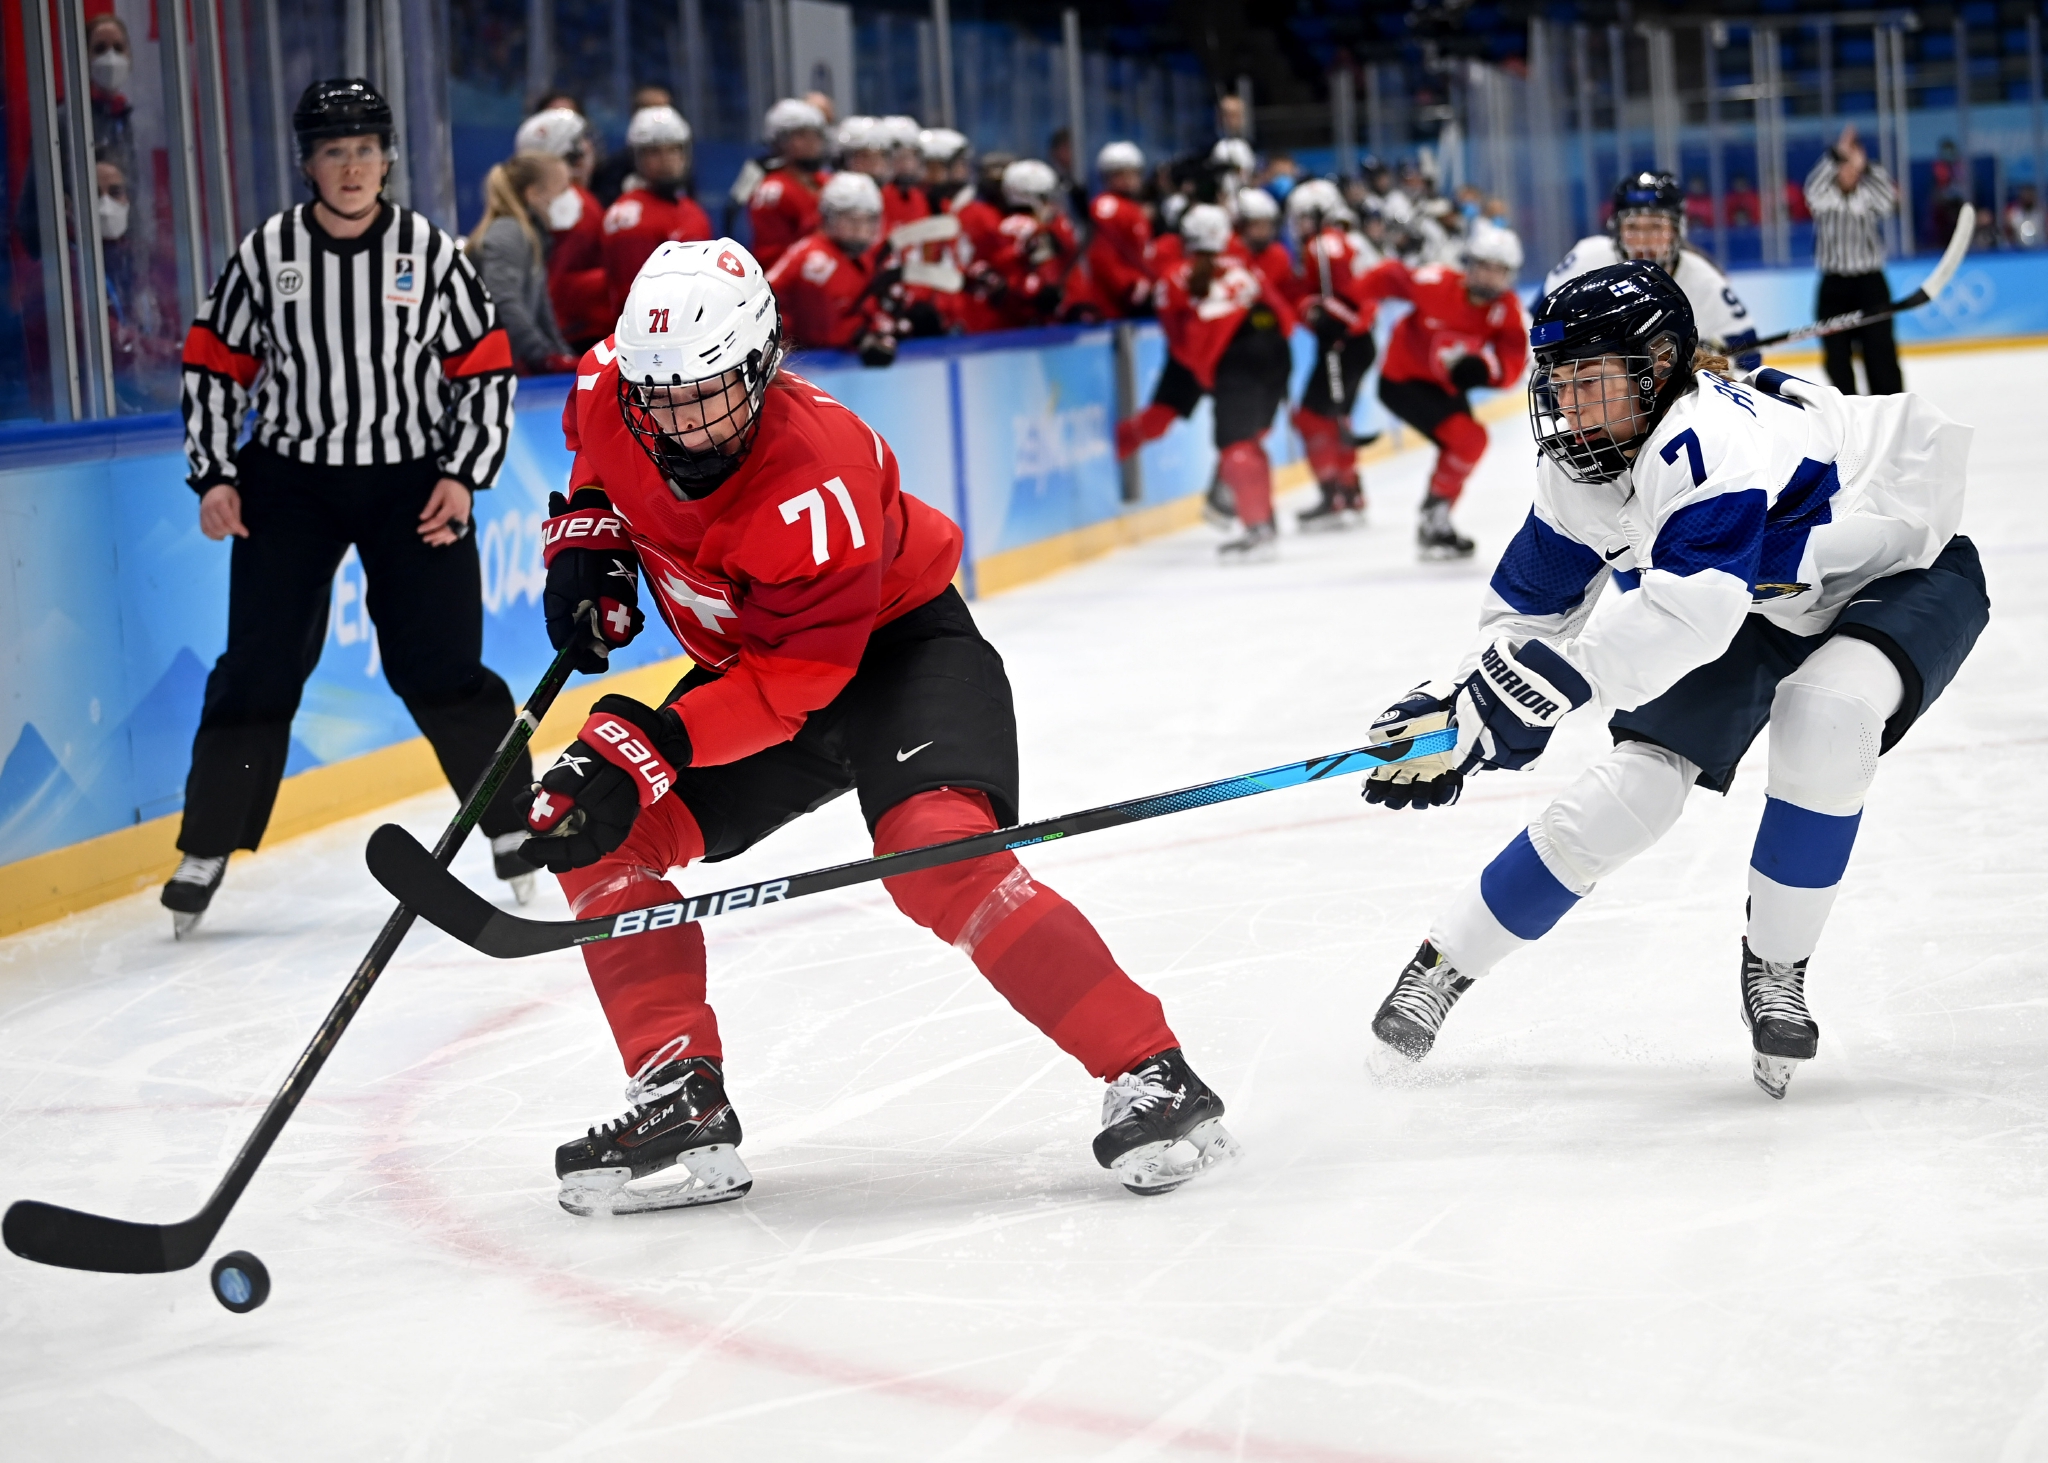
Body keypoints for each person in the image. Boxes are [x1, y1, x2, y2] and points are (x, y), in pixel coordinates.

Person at [516, 238, 1239, 1214]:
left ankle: (1150, 1068)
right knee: (604, 833)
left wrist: (649, 747)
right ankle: (676, 1084)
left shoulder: (818, 470)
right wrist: (591, 542)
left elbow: (793, 687)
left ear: (764, 362)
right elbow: (596, 459)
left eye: (709, 394)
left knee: (935, 853)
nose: (684, 425)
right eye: (665, 399)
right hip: (761, 665)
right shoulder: (614, 387)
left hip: (895, 653)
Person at [1358, 261, 1985, 1101]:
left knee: (1824, 716)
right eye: (1559, 381)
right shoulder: (1582, 471)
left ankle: (1777, 963)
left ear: (1657, 368)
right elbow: (1523, 619)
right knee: (1633, 789)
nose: (1569, 406)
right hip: (1763, 592)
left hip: (1903, 571)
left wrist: (1540, 692)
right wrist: (1462, 709)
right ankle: (1445, 962)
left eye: (1592, 380)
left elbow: (1693, 617)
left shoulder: (1707, 445)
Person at [163, 78, 530, 935]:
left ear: (388, 157)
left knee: (441, 667)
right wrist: (215, 473)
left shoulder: (432, 253)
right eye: (336, 151)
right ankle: (206, 844)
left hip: (411, 477)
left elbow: (485, 367)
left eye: (367, 148)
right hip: (290, 482)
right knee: (257, 665)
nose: (354, 165)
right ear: (309, 164)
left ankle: (515, 823)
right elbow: (214, 363)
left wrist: (464, 474)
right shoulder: (267, 254)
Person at [1114, 203, 1296, 562]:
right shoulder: (1245, 269)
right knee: (1249, 440)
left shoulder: (1174, 277)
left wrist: (1209, 367)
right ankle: (1262, 524)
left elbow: (1180, 343)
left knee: (1234, 444)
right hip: (1276, 354)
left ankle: (1257, 529)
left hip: (1235, 360)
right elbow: (1285, 318)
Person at [1359, 221, 1528, 560]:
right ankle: (1434, 518)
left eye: (1499, 271)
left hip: (1443, 385)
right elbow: (1389, 277)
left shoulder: (1505, 309)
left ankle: (1436, 518)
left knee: (1469, 443)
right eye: (1484, 267)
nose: (1490, 278)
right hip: (1402, 382)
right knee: (1468, 440)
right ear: (1469, 265)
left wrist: (1486, 370)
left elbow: (1513, 360)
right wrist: (1352, 305)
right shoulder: (1435, 283)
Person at [1544, 172, 1760, 372]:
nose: (1643, 239)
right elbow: (1540, 327)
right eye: (1632, 228)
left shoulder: (1704, 281)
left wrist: (1710, 360)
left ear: (1676, 231)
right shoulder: (1586, 260)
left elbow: (1748, 358)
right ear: (1617, 231)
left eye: (1655, 227)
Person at [1283, 179, 1380, 531]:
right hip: (1355, 343)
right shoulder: (1347, 241)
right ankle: (1349, 491)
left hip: (1344, 344)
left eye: (1303, 217)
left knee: (1313, 418)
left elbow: (1355, 299)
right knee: (1334, 419)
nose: (1299, 226)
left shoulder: (1326, 245)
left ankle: (1334, 495)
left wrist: (1333, 319)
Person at [1806, 124, 1903, 397]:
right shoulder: (1825, 197)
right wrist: (1837, 154)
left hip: (1869, 284)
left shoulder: (1868, 195)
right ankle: (1846, 408)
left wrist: (1867, 166)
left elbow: (1889, 199)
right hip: (1834, 287)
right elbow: (1812, 188)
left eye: (1852, 167)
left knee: (1880, 351)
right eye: (1843, 167)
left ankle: (1888, 406)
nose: (1848, 172)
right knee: (1836, 356)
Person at [764, 172, 899, 363]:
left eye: (868, 219)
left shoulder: (857, 256)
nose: (861, 228)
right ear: (828, 216)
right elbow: (817, 333)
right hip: (796, 363)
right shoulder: (816, 261)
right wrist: (860, 336)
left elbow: (860, 308)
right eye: (850, 219)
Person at [468, 154, 577, 375]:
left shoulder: (533, 236)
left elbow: (542, 314)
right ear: (534, 194)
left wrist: (562, 356)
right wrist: (543, 356)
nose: (572, 197)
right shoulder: (508, 231)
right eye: (563, 189)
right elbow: (504, 301)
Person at [600, 106, 712, 318]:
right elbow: (634, 298)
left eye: (674, 150)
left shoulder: (692, 210)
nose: (667, 160)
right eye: (654, 152)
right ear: (637, 157)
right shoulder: (628, 216)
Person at [516, 107, 610, 353]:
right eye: (578, 145)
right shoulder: (576, 204)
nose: (587, 150)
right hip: (574, 332)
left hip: (552, 332)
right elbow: (557, 282)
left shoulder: (531, 201)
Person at [1057, 141, 1153, 324]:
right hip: (1113, 308)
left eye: (1135, 172)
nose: (1132, 179)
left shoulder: (1131, 208)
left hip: (1129, 301)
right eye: (1123, 173)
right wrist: (1132, 290)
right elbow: (1103, 259)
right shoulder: (1108, 207)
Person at [743, 99, 830, 271]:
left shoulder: (826, 181)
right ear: (779, 141)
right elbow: (773, 258)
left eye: (815, 135)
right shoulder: (773, 191)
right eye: (801, 135)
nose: (811, 142)